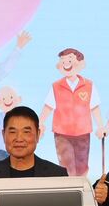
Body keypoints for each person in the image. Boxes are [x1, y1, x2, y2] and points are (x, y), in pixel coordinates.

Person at [39, 48, 104, 177]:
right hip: (62, 133)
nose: (66, 64)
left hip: (83, 132)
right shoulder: (56, 86)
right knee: (66, 165)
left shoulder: (89, 85)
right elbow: (48, 106)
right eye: (63, 61)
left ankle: (81, 187)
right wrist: (40, 123)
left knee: (82, 165)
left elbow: (94, 107)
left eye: (69, 60)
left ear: (81, 63)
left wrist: (100, 126)